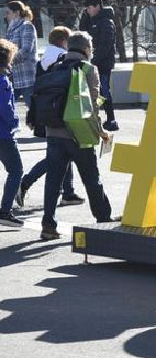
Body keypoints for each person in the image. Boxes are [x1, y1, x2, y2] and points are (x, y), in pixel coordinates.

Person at [40, 31, 113, 241]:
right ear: (86, 49)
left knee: (53, 181)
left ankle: (48, 225)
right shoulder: (89, 69)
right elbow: (91, 107)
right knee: (91, 179)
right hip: (78, 134)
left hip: (53, 132)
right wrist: (100, 132)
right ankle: (103, 220)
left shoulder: (55, 67)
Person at [18, 27, 84, 208]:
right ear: (64, 41)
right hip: (63, 113)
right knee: (60, 154)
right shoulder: (64, 59)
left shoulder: (43, 60)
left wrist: (32, 115)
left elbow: (36, 89)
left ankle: (68, 192)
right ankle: (25, 182)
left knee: (62, 152)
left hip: (45, 113)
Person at [81, 0, 119, 131]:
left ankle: (111, 119)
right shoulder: (90, 20)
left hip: (103, 64)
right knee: (92, 91)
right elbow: (82, 34)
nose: (88, 11)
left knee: (103, 90)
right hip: (92, 62)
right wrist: (85, 17)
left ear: (97, 6)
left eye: (90, 8)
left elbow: (105, 46)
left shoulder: (107, 22)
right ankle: (93, 117)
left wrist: (93, 61)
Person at [0, 39, 24, 228]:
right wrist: (15, 123)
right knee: (16, 170)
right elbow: (6, 108)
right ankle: (5, 211)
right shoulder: (2, 81)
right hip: (3, 134)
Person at [4, 0, 38, 105]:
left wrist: (7, 60)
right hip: (13, 76)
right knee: (6, 104)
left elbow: (26, 49)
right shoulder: (11, 29)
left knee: (33, 108)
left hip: (26, 76)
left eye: (8, 12)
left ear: (17, 13)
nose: (6, 16)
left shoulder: (26, 26)